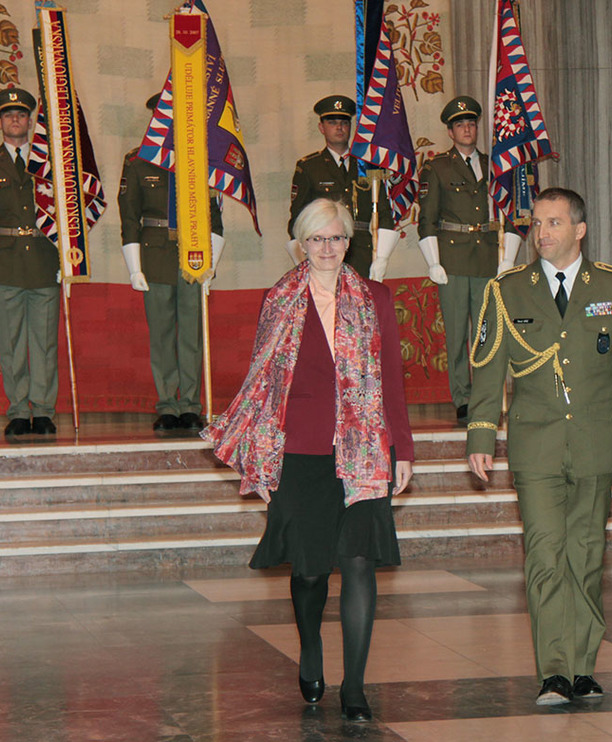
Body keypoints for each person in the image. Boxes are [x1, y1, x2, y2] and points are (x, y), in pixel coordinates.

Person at [203, 198, 413, 722]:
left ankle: (355, 686)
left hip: (364, 447)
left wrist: (403, 449)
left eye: (336, 238)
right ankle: (311, 647)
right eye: (317, 239)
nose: (327, 248)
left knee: (359, 562)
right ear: (301, 244)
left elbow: (392, 378)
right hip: (300, 450)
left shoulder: (376, 297)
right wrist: (260, 457)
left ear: (348, 242)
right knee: (311, 570)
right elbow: (262, 382)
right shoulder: (279, 298)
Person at [466, 187, 612, 705]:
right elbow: (488, 366)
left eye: (553, 222)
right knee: (545, 554)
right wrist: (482, 433)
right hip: (536, 443)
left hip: (595, 439)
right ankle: (554, 670)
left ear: (580, 230)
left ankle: (582, 668)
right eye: (536, 223)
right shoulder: (508, 290)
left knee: (586, 554)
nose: (542, 232)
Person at [118, 94, 225, 435]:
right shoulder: (138, 161)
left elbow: (215, 219)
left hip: (193, 255)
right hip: (155, 254)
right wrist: (134, 267)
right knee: (162, 335)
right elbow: (129, 218)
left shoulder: (200, 160)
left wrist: (211, 264)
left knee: (191, 335)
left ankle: (191, 405)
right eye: (164, 116)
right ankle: (167, 404)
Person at [418, 95, 521, 424]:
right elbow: (427, 219)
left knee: (488, 333)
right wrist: (433, 262)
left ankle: (486, 395)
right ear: (450, 132)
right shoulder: (437, 167)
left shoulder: (495, 165)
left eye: (471, 124)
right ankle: (463, 397)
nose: (467, 129)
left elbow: (511, 212)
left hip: (487, 258)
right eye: (460, 125)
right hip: (452, 261)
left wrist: (508, 258)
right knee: (457, 335)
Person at [0, 89, 59, 438]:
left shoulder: (51, 162)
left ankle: (44, 410)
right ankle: (19, 410)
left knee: (44, 344)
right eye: (8, 115)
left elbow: (69, 216)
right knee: (11, 343)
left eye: (21, 114)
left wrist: (69, 258)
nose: (15, 120)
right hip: (4, 262)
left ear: (31, 121)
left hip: (44, 259)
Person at [287, 95, 398, 280]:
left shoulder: (368, 166)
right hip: (325, 252)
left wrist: (382, 258)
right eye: (332, 122)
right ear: (321, 128)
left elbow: (384, 213)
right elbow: (297, 219)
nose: (339, 127)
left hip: (362, 252)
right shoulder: (309, 167)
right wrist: (302, 258)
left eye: (344, 122)